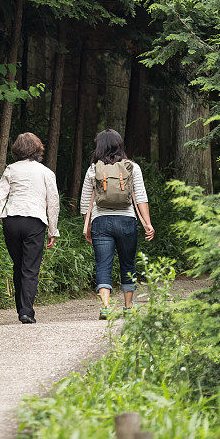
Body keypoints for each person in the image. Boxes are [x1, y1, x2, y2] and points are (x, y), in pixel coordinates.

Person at [80, 129, 154, 319]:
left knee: (103, 265)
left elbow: (85, 201)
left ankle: (105, 306)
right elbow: (141, 198)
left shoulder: (93, 169)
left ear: (99, 146)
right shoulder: (132, 167)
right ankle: (129, 306)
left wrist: (87, 225)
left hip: (100, 222)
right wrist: (147, 223)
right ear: (120, 144)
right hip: (127, 220)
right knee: (127, 263)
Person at [0, 132, 59, 324]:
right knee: (30, 268)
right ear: (38, 149)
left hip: (11, 221)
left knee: (18, 265)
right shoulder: (46, 172)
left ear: (17, 149)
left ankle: (21, 308)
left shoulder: (11, 169)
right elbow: (52, 202)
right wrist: (53, 230)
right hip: (34, 221)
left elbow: (0, 196)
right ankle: (26, 311)